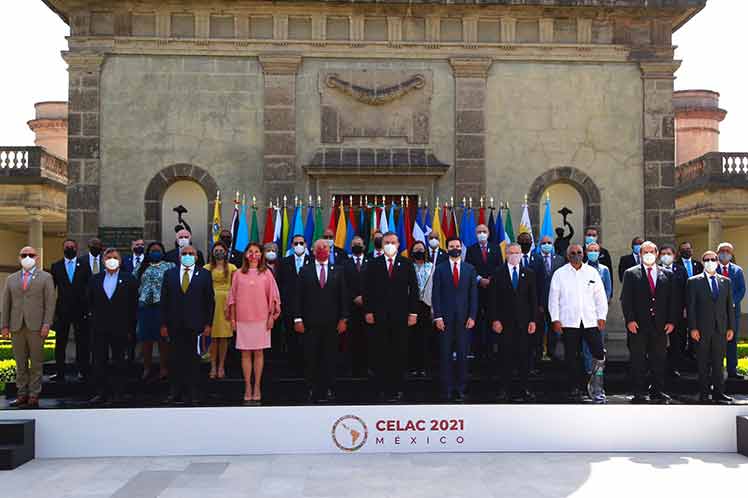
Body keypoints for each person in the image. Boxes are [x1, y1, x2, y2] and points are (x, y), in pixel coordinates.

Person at [549, 244, 608, 402]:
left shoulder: (592, 272)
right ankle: (574, 387)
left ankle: (597, 386)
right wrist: (555, 319)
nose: (576, 255)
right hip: (568, 321)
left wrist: (602, 316)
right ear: (568, 256)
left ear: (583, 254)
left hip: (590, 321)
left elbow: (600, 297)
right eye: (573, 253)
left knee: (598, 353)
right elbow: (553, 299)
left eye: (579, 252)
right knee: (571, 356)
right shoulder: (559, 274)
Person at [364, 232, 419, 401]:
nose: (389, 244)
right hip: (379, 316)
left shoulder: (407, 263)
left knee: (399, 351)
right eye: (386, 242)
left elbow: (414, 290)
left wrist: (413, 313)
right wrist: (368, 311)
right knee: (381, 352)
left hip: (401, 316)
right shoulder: (373, 264)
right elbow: (367, 289)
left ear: (398, 243)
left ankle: (397, 388)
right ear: (381, 244)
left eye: (392, 242)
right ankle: (382, 388)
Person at [621, 241, 678, 404]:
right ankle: (639, 391)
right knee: (638, 360)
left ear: (657, 253)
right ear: (640, 254)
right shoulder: (631, 273)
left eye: (651, 251)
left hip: (660, 325)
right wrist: (630, 320)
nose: (648, 254)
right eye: (645, 251)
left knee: (659, 359)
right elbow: (626, 299)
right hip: (638, 325)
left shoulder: (667, 274)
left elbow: (673, 300)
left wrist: (672, 321)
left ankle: (657, 391)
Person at [294, 239, 348, 402]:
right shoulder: (305, 270)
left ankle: (329, 387)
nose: (322, 250)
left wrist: (344, 319)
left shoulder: (338, 270)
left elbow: (343, 297)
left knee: (330, 356)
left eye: (325, 247)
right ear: (313, 250)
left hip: (332, 323)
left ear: (329, 250)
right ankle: (311, 387)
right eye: (319, 247)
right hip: (310, 323)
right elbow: (298, 297)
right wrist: (298, 319)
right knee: (311, 356)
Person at [160, 244, 215, 404]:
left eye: (191, 253)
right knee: (175, 359)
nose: (188, 255)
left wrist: (208, 324)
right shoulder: (169, 274)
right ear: (179, 256)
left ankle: (193, 392)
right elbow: (164, 301)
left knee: (193, 360)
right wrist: (163, 324)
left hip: (196, 325)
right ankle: (175, 391)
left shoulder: (204, 274)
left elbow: (209, 302)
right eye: (185, 253)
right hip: (174, 325)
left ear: (197, 257)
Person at [1, 247, 55, 408]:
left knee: (36, 363)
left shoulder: (46, 278)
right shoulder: (11, 279)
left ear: (36, 258)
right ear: (19, 258)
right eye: (24, 255)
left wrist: (47, 324)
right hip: (17, 326)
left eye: (30, 255)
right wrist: (4, 326)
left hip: (37, 326)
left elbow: (50, 303)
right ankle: (21, 394)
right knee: (20, 363)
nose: (27, 258)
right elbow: (6, 304)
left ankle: (34, 394)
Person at [228, 243, 281, 403]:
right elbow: (232, 298)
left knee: (258, 353)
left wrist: (271, 316)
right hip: (243, 319)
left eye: (257, 251)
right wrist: (232, 318)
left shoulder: (266, 273)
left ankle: (257, 385)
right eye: (250, 251)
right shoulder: (237, 274)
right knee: (245, 353)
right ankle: (247, 386)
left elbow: (273, 297)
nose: (253, 254)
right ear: (245, 255)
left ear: (261, 255)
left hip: (261, 319)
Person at [87, 249, 139, 405]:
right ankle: (101, 393)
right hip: (99, 327)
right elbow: (90, 302)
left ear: (120, 261)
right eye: (108, 257)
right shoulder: (95, 279)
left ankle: (119, 393)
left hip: (121, 327)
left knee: (119, 361)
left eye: (115, 257)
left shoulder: (129, 279)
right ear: (103, 261)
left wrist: (131, 328)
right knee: (99, 361)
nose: (111, 260)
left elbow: (133, 305)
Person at [490, 243, 537, 402]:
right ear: (506, 254)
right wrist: (495, 319)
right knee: (505, 357)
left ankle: (525, 388)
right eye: (511, 252)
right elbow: (493, 300)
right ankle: (504, 389)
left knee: (524, 357)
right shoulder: (498, 273)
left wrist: (533, 320)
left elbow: (533, 300)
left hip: (524, 324)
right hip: (505, 324)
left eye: (517, 252)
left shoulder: (529, 273)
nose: (515, 255)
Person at [432, 237, 478, 402]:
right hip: (444, 320)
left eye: (457, 246)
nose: (455, 248)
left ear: (461, 248)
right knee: (445, 355)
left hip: (465, 320)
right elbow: (435, 295)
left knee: (462, 355)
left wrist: (472, 316)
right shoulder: (440, 269)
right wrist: (437, 316)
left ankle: (461, 388)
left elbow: (473, 295)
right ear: (447, 248)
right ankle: (447, 389)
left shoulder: (470, 269)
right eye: (452, 246)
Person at [687, 250, 735, 403]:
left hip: (720, 329)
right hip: (701, 330)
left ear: (717, 261)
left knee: (718, 363)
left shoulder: (725, 282)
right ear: (702, 262)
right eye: (706, 259)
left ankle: (719, 393)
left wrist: (730, 328)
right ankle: (704, 393)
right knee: (702, 362)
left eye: (713, 259)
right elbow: (691, 307)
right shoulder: (694, 281)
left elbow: (729, 307)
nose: (710, 262)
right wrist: (693, 328)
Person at [464, 223, 503, 375]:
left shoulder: (495, 248)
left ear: (488, 233)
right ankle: (478, 352)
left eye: (484, 231)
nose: (481, 234)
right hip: (477, 290)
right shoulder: (471, 249)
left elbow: (500, 266)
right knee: (478, 322)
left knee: (492, 320)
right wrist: (480, 279)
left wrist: (491, 280)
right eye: (479, 232)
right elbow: (469, 268)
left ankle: (491, 353)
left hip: (493, 291)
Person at [49, 239, 88, 382]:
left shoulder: (84, 265)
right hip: (62, 310)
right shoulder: (56, 266)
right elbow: (51, 290)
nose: (69, 249)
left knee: (82, 342)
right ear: (63, 249)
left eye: (72, 247)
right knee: (60, 343)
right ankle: (60, 373)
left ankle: (82, 371)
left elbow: (88, 288)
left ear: (76, 249)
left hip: (80, 310)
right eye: (67, 247)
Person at [136, 242, 174, 381]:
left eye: (158, 250)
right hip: (145, 307)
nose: (155, 252)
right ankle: (147, 368)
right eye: (153, 250)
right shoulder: (141, 267)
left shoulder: (170, 266)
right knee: (146, 339)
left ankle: (164, 368)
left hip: (161, 306)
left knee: (162, 339)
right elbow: (135, 283)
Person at [278, 235, 311, 377]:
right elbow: (279, 284)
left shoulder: (312, 261)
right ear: (292, 245)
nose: (298, 245)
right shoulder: (285, 262)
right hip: (289, 307)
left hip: (308, 308)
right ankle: (292, 368)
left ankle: (307, 368)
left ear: (305, 244)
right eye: (296, 243)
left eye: (301, 243)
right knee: (291, 338)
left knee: (307, 340)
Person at [203, 241, 237, 380]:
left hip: (226, 303)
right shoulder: (206, 268)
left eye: (221, 250)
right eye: (216, 250)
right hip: (211, 303)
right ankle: (212, 366)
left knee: (223, 338)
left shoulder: (232, 267)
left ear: (226, 252)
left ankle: (221, 366)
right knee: (213, 337)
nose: (219, 252)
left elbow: (235, 289)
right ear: (212, 252)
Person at [71, 237, 102, 381]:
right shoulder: (80, 262)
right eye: (93, 245)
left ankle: (100, 369)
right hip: (83, 308)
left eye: (98, 245)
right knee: (82, 340)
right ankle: (82, 369)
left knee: (101, 341)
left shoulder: (106, 260)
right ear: (88, 246)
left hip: (103, 308)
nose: (95, 247)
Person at [343, 235, 373, 377]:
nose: (357, 246)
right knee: (351, 339)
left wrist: (365, 298)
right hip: (350, 307)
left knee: (368, 338)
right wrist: (354, 297)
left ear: (364, 246)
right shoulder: (345, 263)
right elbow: (343, 285)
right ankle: (351, 368)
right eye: (354, 244)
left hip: (368, 308)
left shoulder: (371, 262)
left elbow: (375, 285)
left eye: (359, 244)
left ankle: (367, 367)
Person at [582, 242, 613, 373]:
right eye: (590, 250)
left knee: (598, 341)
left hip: (598, 312)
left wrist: (601, 308)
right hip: (584, 311)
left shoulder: (604, 270)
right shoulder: (582, 268)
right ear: (586, 253)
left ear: (599, 253)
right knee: (585, 343)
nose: (593, 253)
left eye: (596, 250)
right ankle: (588, 369)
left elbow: (607, 290)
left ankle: (598, 371)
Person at [534, 235, 565, 361]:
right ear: (540, 245)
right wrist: (537, 302)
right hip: (540, 301)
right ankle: (539, 353)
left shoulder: (560, 260)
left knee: (554, 329)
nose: (547, 245)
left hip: (555, 302)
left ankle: (552, 352)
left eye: (549, 243)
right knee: (539, 329)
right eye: (544, 243)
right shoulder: (534, 259)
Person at [717, 242, 746, 380]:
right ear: (717, 253)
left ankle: (732, 370)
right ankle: (716, 370)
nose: (725, 253)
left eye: (728, 251)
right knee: (716, 341)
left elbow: (742, 289)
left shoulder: (737, 270)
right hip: (716, 312)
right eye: (722, 250)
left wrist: (732, 302)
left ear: (731, 253)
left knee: (732, 341)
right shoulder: (712, 269)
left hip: (733, 312)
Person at [659, 244, 688, 377]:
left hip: (677, 311)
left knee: (677, 341)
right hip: (660, 312)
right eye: (663, 253)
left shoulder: (681, 270)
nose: (666, 256)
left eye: (668, 253)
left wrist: (685, 308)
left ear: (674, 255)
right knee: (658, 342)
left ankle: (674, 367)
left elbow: (686, 290)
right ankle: (659, 368)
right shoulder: (656, 269)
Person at [408, 240, 435, 378]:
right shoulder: (408, 266)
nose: (419, 252)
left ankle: (424, 367)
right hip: (411, 306)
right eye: (416, 249)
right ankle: (412, 366)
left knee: (425, 337)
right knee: (412, 337)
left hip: (427, 306)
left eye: (421, 249)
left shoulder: (431, 266)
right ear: (412, 252)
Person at [676, 241, 703, 361]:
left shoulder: (698, 265)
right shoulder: (676, 265)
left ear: (692, 250)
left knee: (696, 330)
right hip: (681, 304)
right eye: (683, 249)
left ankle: (694, 354)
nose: (686, 251)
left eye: (688, 249)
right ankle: (681, 357)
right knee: (681, 332)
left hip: (697, 305)